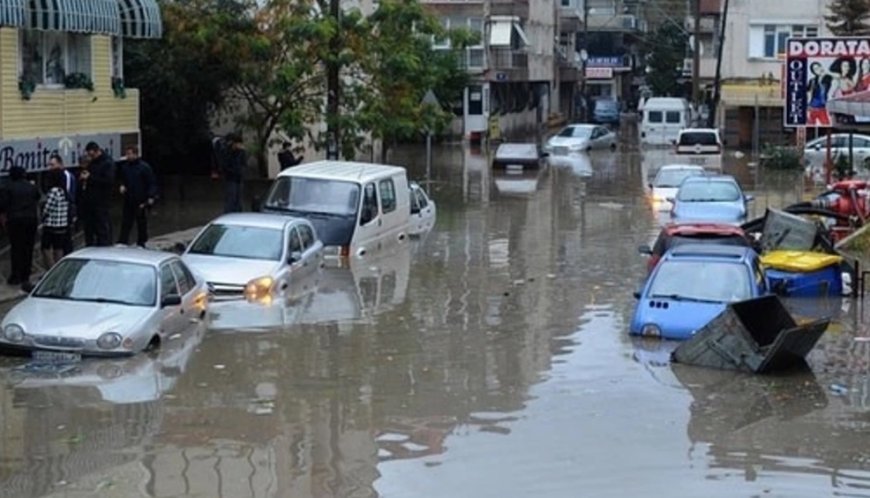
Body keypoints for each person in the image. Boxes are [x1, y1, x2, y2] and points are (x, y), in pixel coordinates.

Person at [0, 166, 40, 291]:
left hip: (15, 220)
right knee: (28, 248)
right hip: (30, 220)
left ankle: (15, 275)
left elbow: (3, 205)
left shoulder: (8, 187)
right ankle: (25, 276)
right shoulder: (32, 187)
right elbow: (37, 197)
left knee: (16, 247)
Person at [117, 146, 158, 247]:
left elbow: (151, 182)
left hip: (141, 199)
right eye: (127, 154)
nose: (128, 156)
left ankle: (142, 242)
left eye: (130, 154)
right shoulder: (125, 167)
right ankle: (123, 241)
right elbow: (123, 180)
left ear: (135, 154)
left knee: (141, 222)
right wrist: (122, 186)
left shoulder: (144, 167)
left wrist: (150, 196)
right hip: (129, 198)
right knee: (126, 221)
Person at [80, 142, 115, 246]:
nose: (90, 157)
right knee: (89, 228)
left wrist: (90, 178)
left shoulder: (107, 163)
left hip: (101, 201)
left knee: (102, 227)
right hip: (90, 201)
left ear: (97, 151)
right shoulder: (93, 162)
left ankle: (104, 246)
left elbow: (108, 181)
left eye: (92, 154)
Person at [40, 169, 72, 268]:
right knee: (58, 248)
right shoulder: (64, 192)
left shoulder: (54, 191)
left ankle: (51, 268)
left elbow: (48, 208)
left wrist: (42, 218)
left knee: (46, 247)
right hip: (62, 224)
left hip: (51, 225)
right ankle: (59, 268)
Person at [48, 153, 77, 254]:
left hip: (65, 211)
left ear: (60, 164)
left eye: (52, 164)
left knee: (66, 238)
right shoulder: (57, 176)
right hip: (62, 212)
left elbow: (67, 194)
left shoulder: (66, 176)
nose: (50, 167)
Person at [222, 133, 247, 213]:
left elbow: (244, 163)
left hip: (239, 179)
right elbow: (225, 165)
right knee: (231, 199)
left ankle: (238, 213)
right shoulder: (227, 152)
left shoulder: (241, 152)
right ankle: (228, 214)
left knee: (239, 200)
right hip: (231, 178)